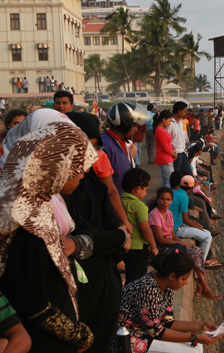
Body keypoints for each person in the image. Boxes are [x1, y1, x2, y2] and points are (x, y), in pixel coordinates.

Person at [0, 122, 97, 352]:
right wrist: (79, 335)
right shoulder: (26, 221)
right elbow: (35, 304)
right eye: (77, 166)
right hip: (41, 341)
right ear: (56, 166)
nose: (83, 174)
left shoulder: (36, 206)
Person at [63, 112, 131, 353]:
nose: (91, 155)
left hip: (103, 276)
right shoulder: (57, 192)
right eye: (85, 146)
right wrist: (118, 237)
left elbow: (112, 228)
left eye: (94, 146)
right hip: (81, 282)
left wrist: (119, 235)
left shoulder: (88, 180)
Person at [113, 249, 220, 353]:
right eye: (184, 279)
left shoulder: (166, 287)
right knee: (190, 350)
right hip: (126, 337)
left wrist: (202, 325)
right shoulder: (148, 290)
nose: (186, 283)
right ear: (172, 276)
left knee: (198, 346)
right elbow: (156, 332)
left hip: (144, 333)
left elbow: (168, 322)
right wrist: (194, 337)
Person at [148, 188, 220, 300]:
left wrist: (181, 243)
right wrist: (183, 244)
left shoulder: (169, 213)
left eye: (168, 199)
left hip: (170, 244)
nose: (165, 202)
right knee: (193, 253)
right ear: (157, 200)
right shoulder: (154, 214)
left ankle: (202, 286)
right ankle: (203, 287)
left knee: (197, 251)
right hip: (160, 247)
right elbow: (160, 239)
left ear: (171, 201)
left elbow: (172, 235)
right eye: (162, 199)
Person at [101, 102, 150, 195]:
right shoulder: (105, 144)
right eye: (134, 125)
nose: (136, 129)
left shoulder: (120, 142)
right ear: (125, 125)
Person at [121, 168, 158, 285]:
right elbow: (145, 229)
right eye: (145, 190)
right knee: (136, 279)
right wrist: (153, 246)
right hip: (137, 248)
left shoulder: (119, 201)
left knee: (128, 276)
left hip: (122, 245)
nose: (146, 193)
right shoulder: (139, 206)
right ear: (138, 189)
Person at [169, 173, 213, 264]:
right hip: (177, 229)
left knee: (206, 233)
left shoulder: (174, 192)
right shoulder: (184, 196)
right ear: (191, 188)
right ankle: (200, 264)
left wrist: (196, 226)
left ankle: (199, 260)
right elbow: (186, 219)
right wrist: (198, 228)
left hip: (174, 226)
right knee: (208, 236)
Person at [154, 110, 176, 188]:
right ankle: (167, 197)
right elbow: (165, 147)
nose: (170, 123)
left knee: (165, 180)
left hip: (165, 158)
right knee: (170, 180)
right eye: (169, 121)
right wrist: (173, 153)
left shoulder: (160, 130)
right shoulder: (160, 131)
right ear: (163, 120)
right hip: (165, 158)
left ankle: (163, 196)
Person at [169, 102, 190, 173]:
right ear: (179, 111)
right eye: (184, 111)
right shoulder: (170, 123)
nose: (185, 113)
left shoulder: (180, 121)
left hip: (183, 151)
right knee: (177, 173)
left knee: (188, 173)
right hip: (176, 153)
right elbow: (167, 139)